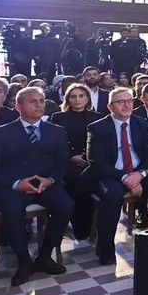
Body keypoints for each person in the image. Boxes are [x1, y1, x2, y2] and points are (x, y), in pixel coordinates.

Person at [0, 87, 71, 285]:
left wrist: (51, 180)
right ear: (18, 106)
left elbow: (63, 162)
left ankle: (44, 256)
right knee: (12, 210)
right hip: (13, 186)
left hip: (46, 184)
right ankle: (23, 261)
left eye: (41, 101)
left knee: (66, 206)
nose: (39, 105)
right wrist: (16, 184)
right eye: (33, 101)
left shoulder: (56, 131)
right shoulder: (0, 133)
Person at [87, 88, 148, 266]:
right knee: (112, 196)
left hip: (139, 172)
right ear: (110, 106)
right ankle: (106, 250)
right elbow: (96, 162)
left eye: (129, 101)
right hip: (112, 174)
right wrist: (125, 178)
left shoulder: (140, 123)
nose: (127, 105)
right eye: (121, 102)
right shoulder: (97, 127)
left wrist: (140, 174)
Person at [48, 83, 98, 241]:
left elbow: (101, 142)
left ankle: (93, 226)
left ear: (87, 98)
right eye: (73, 96)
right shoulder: (58, 117)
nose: (77, 99)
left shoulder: (97, 117)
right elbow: (54, 143)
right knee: (76, 180)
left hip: (91, 160)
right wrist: (71, 157)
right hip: (66, 161)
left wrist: (89, 157)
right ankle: (79, 228)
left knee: (91, 179)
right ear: (68, 99)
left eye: (81, 96)